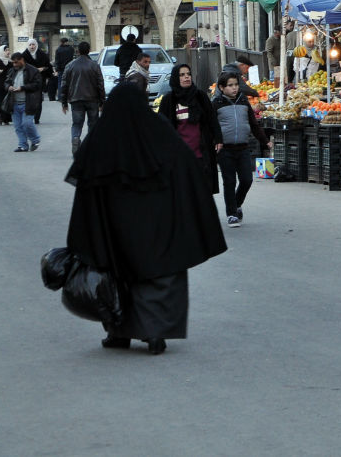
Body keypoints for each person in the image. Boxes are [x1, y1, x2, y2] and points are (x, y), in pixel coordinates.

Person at [65, 83, 227, 355]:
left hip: (114, 232)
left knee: (116, 277)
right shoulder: (159, 132)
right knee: (159, 276)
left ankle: (119, 333)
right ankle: (154, 333)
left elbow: (85, 186)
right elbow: (187, 168)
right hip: (158, 227)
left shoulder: (101, 138)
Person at [213, 71, 272, 228]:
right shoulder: (217, 103)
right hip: (225, 149)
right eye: (230, 85)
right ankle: (231, 214)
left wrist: (265, 141)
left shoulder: (243, 101)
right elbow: (211, 126)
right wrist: (214, 142)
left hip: (243, 147)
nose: (234, 88)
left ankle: (237, 204)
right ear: (221, 87)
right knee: (229, 181)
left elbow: (253, 124)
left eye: (236, 85)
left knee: (247, 179)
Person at [158, 63, 223, 198]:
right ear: (176, 78)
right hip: (179, 155)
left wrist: (218, 139)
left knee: (203, 190)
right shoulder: (169, 100)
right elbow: (161, 128)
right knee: (183, 191)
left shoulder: (200, 96)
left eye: (188, 74)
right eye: (182, 75)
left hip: (200, 152)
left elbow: (212, 119)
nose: (186, 77)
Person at [60, 41, 105, 154]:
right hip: (92, 99)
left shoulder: (70, 65)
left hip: (76, 99)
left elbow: (64, 85)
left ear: (78, 51)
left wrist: (64, 102)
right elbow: (100, 84)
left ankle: (75, 138)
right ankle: (91, 146)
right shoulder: (94, 65)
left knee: (77, 123)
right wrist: (102, 101)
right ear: (89, 50)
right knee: (93, 123)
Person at [5, 51, 43, 152]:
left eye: (16, 62)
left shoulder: (33, 70)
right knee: (18, 126)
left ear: (22, 60)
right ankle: (23, 145)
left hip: (29, 102)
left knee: (27, 123)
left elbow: (37, 85)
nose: (14, 64)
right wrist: (9, 87)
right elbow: (6, 82)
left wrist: (22, 88)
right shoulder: (12, 71)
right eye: (13, 62)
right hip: (14, 103)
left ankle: (35, 140)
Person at [26, 39, 52, 123]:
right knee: (28, 99)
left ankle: (37, 118)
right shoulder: (24, 55)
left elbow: (48, 66)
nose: (32, 46)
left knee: (38, 99)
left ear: (36, 45)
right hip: (28, 81)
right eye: (30, 45)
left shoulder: (42, 55)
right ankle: (29, 116)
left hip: (40, 80)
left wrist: (43, 68)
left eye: (33, 44)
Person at [51, 37, 75, 102]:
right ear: (67, 42)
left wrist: (56, 69)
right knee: (69, 83)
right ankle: (69, 97)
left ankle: (60, 98)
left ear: (61, 42)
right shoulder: (71, 49)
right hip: (70, 68)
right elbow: (72, 58)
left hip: (61, 69)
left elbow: (57, 61)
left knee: (60, 83)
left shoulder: (58, 49)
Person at [0, 44, 11, 125]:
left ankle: (6, 118)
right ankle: (0, 117)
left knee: (7, 102)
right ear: (1, 51)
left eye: (8, 50)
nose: (8, 52)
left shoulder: (9, 62)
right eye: (6, 50)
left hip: (7, 86)